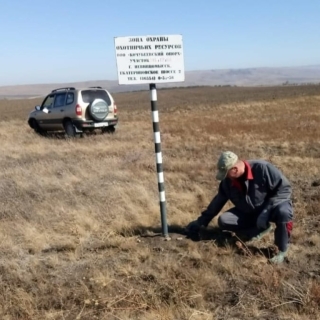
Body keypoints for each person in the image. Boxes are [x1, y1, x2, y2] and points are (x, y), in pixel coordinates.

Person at [186, 151, 293, 264]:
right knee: (225, 220)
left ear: (235, 169)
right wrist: (201, 222)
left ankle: (282, 249)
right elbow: (217, 202)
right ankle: (259, 229)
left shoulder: (263, 169)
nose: (226, 177)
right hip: (250, 212)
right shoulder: (228, 182)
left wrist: (266, 211)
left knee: (284, 212)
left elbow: (284, 189)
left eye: (227, 174)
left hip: (272, 208)